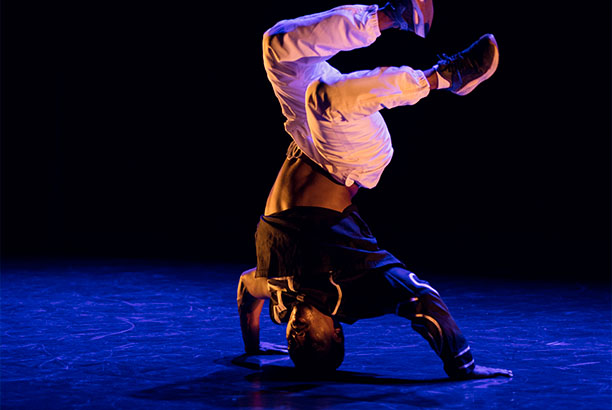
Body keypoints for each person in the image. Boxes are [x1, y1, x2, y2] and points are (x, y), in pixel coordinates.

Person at [237, 1, 513, 379]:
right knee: (324, 97)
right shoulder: (349, 291)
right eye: (310, 338)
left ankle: (389, 15)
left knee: (277, 46)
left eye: (292, 339)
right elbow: (424, 301)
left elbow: (245, 292)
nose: (296, 333)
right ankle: (446, 77)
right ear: (335, 329)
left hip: (305, 140)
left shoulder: (280, 294)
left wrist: (252, 349)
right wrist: (463, 366)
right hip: (351, 162)